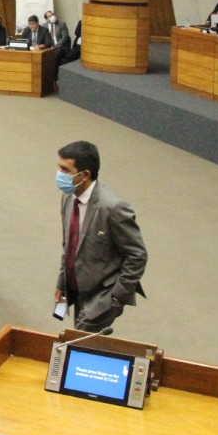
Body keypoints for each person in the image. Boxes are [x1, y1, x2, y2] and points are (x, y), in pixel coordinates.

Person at [53, 140, 148, 333]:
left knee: (77, 343)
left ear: (85, 175)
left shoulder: (113, 208)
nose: (59, 174)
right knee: (84, 343)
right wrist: (62, 283)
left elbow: (137, 255)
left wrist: (117, 296)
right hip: (77, 287)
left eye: (65, 170)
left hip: (102, 296)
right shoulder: (68, 197)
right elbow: (70, 246)